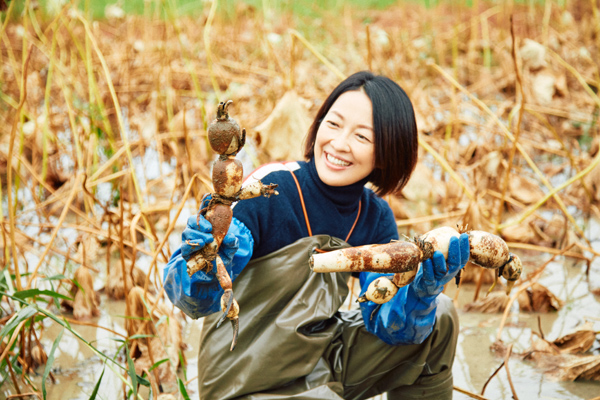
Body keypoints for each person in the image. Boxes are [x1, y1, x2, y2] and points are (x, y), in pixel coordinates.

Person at [163, 71, 470, 400]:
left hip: (320, 363)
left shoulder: (375, 217)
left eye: (362, 137)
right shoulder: (269, 189)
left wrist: (419, 295)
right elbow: (191, 299)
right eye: (333, 124)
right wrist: (209, 255)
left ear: (386, 154)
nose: (339, 144)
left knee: (440, 317)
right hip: (245, 377)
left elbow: (387, 322)